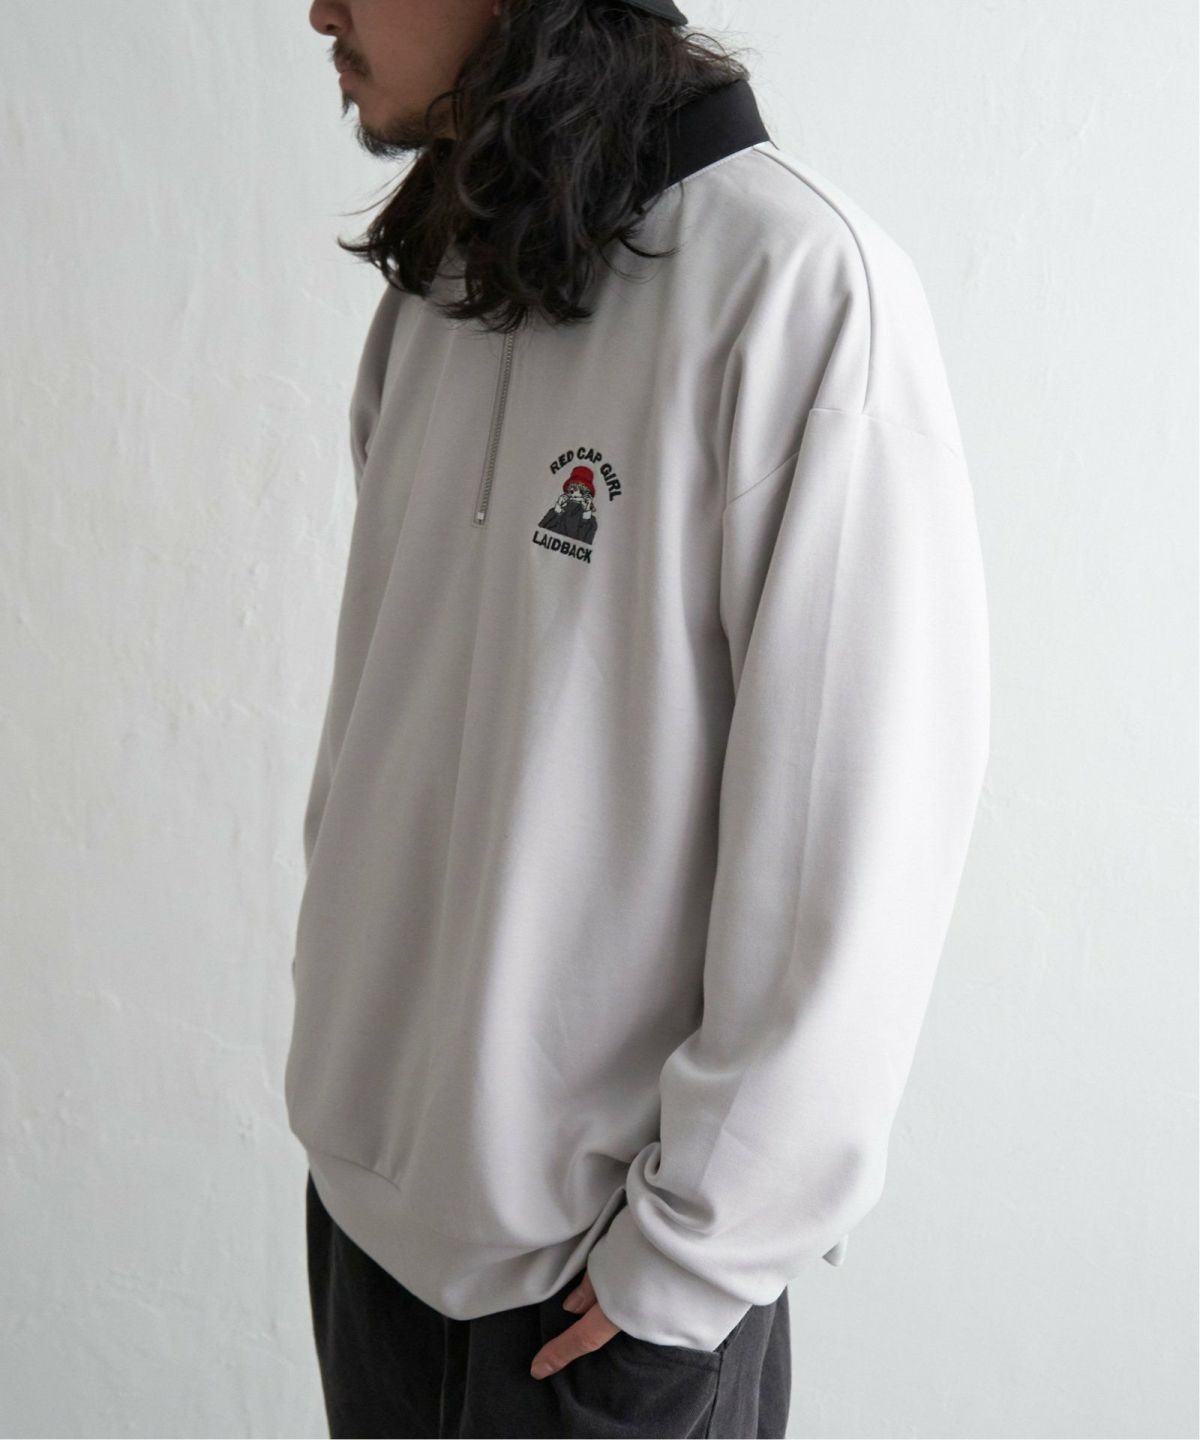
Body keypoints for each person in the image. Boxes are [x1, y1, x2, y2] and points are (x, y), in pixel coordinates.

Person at [289, 1, 991, 1436]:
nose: (318, 9)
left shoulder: (798, 287)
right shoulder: (439, 286)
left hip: (601, 1308)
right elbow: (385, 728)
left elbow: (858, 842)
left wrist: (688, 1265)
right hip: (371, 1242)